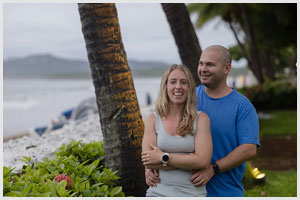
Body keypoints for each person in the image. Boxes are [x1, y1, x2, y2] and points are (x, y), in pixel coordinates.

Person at [146, 45, 260, 197]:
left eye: (210, 65)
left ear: (227, 68)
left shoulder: (242, 106)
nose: (203, 69)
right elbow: (161, 135)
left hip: (224, 190)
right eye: (201, 63)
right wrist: (150, 167)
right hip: (187, 189)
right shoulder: (188, 97)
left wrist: (214, 168)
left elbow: (249, 148)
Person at [141, 64, 212, 197]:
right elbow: (149, 161)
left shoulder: (201, 119)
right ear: (166, 86)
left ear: (189, 88)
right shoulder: (153, 119)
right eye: (173, 82)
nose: (178, 86)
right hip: (157, 192)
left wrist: (163, 157)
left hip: (192, 193)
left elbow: (203, 161)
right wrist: (190, 160)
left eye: (183, 82)